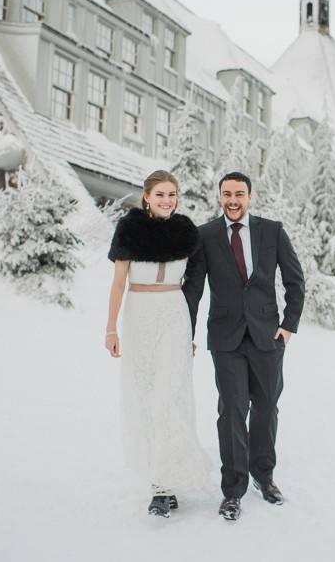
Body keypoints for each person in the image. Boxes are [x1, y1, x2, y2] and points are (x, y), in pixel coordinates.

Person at [183, 171, 306, 521]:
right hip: (226, 337)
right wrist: (185, 333)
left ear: (249, 196)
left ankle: (264, 476)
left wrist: (288, 326)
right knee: (232, 411)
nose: (233, 200)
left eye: (239, 193)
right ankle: (233, 490)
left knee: (267, 408)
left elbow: (295, 281)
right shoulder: (205, 235)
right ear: (219, 196)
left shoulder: (272, 231)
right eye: (227, 194)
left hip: (268, 335)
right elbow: (194, 289)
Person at [104, 170, 210, 518]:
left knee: (171, 396)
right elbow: (119, 283)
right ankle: (159, 482)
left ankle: (170, 479)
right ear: (146, 196)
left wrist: (191, 333)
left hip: (174, 316)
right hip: (139, 315)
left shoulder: (186, 232)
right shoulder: (130, 230)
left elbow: (194, 285)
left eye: (173, 195)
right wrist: (111, 328)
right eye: (161, 194)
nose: (167, 200)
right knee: (147, 397)